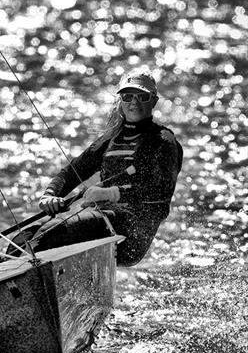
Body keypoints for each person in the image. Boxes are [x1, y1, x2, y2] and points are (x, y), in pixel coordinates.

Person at [19, 70, 182, 266]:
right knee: (22, 240)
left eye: (142, 97)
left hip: (132, 232)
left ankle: (29, 285)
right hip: (103, 218)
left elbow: (161, 191)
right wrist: (50, 194)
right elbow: (72, 171)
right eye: (128, 96)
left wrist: (111, 194)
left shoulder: (164, 141)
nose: (134, 102)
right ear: (120, 100)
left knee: (48, 236)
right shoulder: (110, 139)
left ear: (154, 101)